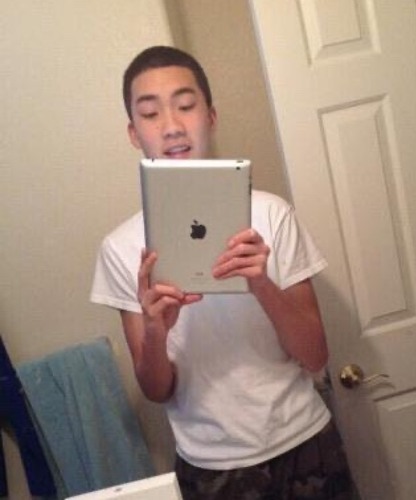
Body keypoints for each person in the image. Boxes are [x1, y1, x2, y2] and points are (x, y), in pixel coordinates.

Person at [91, 45, 353, 499]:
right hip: (209, 466)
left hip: (306, 442)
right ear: (134, 133)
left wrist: (261, 284)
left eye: (185, 105)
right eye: (150, 114)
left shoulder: (271, 214)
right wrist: (155, 330)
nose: (171, 126)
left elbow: (315, 356)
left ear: (210, 116)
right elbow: (156, 391)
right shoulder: (120, 248)